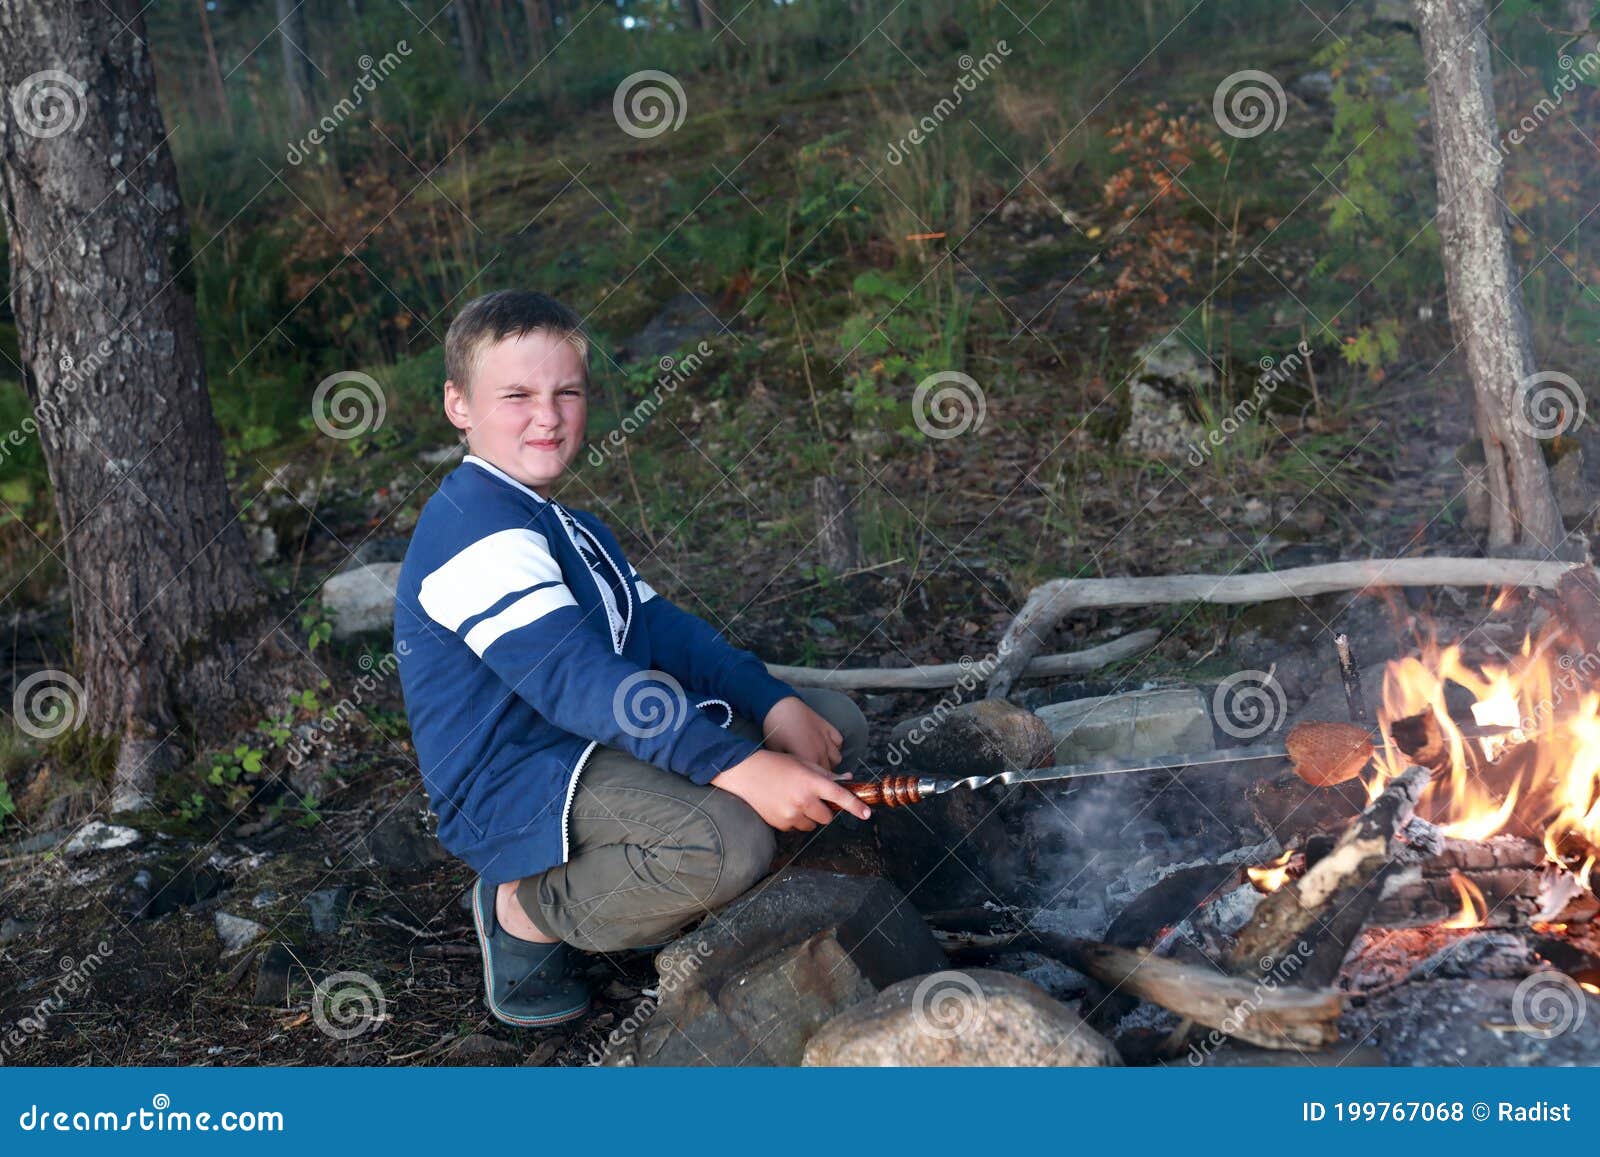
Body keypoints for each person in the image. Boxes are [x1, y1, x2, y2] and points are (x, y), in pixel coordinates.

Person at [394, 289, 872, 1027]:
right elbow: (572, 681)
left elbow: (666, 633)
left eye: (567, 392)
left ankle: (687, 873)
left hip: (597, 739)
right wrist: (737, 767)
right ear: (459, 404)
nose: (547, 416)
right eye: (516, 394)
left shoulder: (570, 525)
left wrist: (773, 700)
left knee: (830, 725)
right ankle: (526, 907)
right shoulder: (472, 524)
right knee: (724, 841)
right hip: (523, 774)